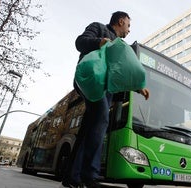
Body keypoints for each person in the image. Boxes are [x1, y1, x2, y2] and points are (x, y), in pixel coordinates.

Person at [60, 11, 149, 188]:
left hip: (105, 89)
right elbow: (80, 42)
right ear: (121, 21)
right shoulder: (98, 28)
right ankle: (89, 176)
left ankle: (72, 177)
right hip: (90, 81)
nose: (129, 30)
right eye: (128, 25)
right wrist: (98, 42)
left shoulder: (120, 44)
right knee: (101, 119)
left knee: (89, 128)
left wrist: (138, 87)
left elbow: (120, 73)